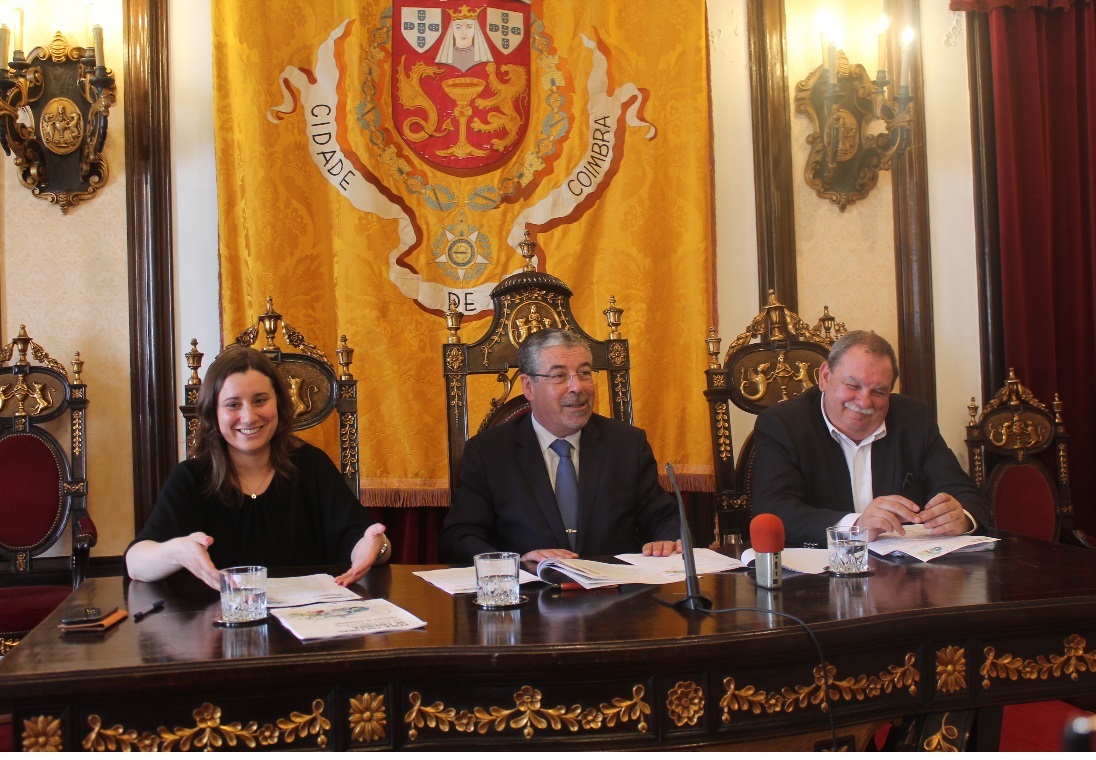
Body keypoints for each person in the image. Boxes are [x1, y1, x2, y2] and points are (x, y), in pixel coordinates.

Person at [126, 347, 389, 590]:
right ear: (212, 413)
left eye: (260, 400)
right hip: (220, 630)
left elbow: (364, 542)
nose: (249, 416)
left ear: (280, 404)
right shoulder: (191, 477)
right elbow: (135, 563)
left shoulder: (312, 465)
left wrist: (375, 547)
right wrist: (176, 551)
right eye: (232, 405)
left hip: (307, 626)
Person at [440, 329, 681, 564]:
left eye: (585, 373)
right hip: (530, 594)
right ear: (528, 387)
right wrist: (514, 562)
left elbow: (665, 518)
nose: (577, 387)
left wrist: (666, 540)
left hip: (614, 593)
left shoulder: (626, 444)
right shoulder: (488, 453)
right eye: (559, 376)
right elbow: (460, 537)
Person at [751, 330, 992, 546]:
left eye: (879, 392)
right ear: (825, 376)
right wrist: (856, 526)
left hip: (903, 581)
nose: (865, 402)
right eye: (853, 385)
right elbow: (773, 510)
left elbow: (967, 495)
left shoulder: (913, 418)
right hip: (817, 580)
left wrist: (961, 517)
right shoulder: (783, 424)